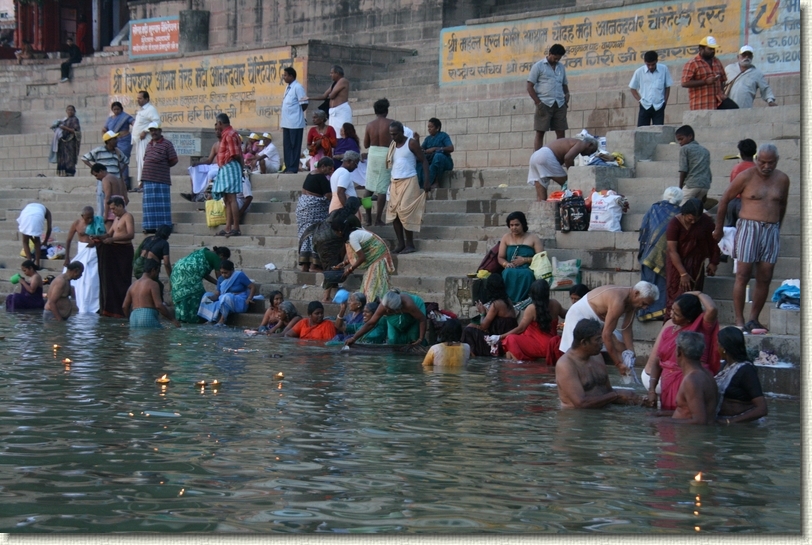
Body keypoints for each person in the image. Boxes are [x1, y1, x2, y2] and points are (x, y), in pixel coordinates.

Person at [713, 143, 790, 332]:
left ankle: (753, 319)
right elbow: (724, 200)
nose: (766, 166)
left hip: (770, 228)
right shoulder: (746, 176)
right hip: (748, 227)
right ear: (756, 160)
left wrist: (777, 227)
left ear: (776, 161)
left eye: (770, 163)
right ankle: (739, 321)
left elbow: (782, 205)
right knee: (743, 274)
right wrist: (719, 228)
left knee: (765, 276)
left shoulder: (782, 179)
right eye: (762, 162)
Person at [559, 282, 658, 375]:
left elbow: (627, 328)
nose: (644, 308)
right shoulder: (618, 301)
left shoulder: (634, 301)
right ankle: (571, 376)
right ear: (636, 293)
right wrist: (618, 363)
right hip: (579, 314)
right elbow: (606, 335)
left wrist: (631, 352)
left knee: (621, 346)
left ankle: (625, 374)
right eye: (644, 303)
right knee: (578, 353)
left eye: (647, 305)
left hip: (599, 319)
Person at [642, 292, 719, 411]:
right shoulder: (668, 331)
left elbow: (712, 309)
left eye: (677, 314)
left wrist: (698, 294)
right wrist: (652, 390)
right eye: (672, 310)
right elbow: (658, 362)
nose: (671, 314)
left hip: (687, 384)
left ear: (688, 318)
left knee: (685, 420)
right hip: (667, 383)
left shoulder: (701, 328)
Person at [556, 318, 643, 409]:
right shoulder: (565, 365)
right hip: (577, 418)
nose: (602, 342)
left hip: (602, 413)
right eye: (598, 339)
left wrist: (636, 399)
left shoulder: (597, 357)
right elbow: (581, 403)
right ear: (584, 342)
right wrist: (616, 395)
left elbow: (607, 392)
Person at [665, 198, 719, 320]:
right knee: (676, 298)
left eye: (696, 219)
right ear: (684, 214)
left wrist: (713, 261)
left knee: (693, 300)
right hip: (677, 265)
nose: (693, 222)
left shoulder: (706, 221)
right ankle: (671, 329)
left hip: (696, 264)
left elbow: (713, 243)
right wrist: (683, 273)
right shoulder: (674, 224)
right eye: (690, 219)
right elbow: (672, 250)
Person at [637, 187, 683, 321]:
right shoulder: (679, 213)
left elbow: (644, 229)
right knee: (662, 284)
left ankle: (645, 311)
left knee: (648, 283)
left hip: (649, 252)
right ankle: (660, 311)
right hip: (667, 255)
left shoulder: (654, 208)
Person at [386, 121, 430, 254]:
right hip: (395, 182)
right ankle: (401, 244)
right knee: (394, 215)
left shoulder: (411, 143)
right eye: (391, 135)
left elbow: (424, 161)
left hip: (410, 180)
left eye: (395, 134)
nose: (393, 137)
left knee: (406, 212)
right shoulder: (393, 145)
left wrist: (427, 181)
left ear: (402, 132)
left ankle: (410, 244)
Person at [659, 332, 718, 424]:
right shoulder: (707, 374)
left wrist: (661, 421)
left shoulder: (692, 380)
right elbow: (688, 410)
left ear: (678, 351)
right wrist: (659, 415)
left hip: (690, 436)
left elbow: (699, 421)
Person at [501, 279, 566, 362]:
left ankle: (517, 366)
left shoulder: (531, 308)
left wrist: (500, 336)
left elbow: (521, 329)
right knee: (511, 343)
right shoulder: (555, 304)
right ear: (547, 292)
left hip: (539, 346)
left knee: (510, 339)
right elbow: (565, 314)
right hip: (551, 345)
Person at [91, 196, 134, 318]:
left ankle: (122, 309)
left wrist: (112, 239)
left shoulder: (128, 217)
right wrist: (98, 237)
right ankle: (110, 309)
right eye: (111, 209)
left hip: (123, 253)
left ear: (121, 206)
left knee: (122, 281)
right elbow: (108, 234)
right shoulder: (116, 219)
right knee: (111, 280)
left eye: (114, 209)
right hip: (114, 252)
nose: (112, 211)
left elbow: (131, 234)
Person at [335, 214, 395, 302]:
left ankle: (374, 307)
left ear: (340, 231)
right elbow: (359, 254)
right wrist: (345, 263)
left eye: (335, 232)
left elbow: (362, 257)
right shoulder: (354, 233)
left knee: (370, 288)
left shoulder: (352, 237)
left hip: (378, 258)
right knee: (369, 286)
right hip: (375, 257)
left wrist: (349, 270)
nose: (336, 234)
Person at [715, 326, 768, 424]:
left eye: (718, 344)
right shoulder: (725, 365)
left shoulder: (746, 370)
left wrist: (729, 421)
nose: (716, 347)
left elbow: (762, 409)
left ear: (724, 348)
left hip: (742, 426)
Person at [462, 273, 518, 357]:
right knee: (471, 325)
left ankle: (472, 356)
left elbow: (483, 326)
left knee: (468, 331)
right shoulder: (507, 300)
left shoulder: (496, 304)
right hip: (502, 337)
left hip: (498, 342)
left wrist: (482, 313)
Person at [527, 136, 599, 201]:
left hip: (535, 156)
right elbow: (568, 158)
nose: (589, 155)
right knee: (568, 184)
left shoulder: (572, 142)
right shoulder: (581, 144)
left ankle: (540, 212)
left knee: (541, 197)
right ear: (590, 145)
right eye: (591, 151)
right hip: (546, 156)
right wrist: (572, 175)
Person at [526, 43, 570, 150]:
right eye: (555, 58)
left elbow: (564, 84)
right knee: (540, 132)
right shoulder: (538, 66)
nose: (556, 60)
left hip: (559, 104)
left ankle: (559, 158)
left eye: (558, 59)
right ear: (550, 53)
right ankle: (537, 159)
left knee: (561, 132)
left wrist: (567, 95)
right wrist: (538, 103)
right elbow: (529, 86)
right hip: (544, 103)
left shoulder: (561, 68)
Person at [170, 246, 230, 323]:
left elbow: (205, 275)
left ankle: (182, 319)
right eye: (225, 260)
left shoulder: (206, 253)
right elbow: (220, 277)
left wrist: (217, 283)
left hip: (177, 270)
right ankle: (193, 320)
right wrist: (225, 286)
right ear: (221, 255)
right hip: (188, 274)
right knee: (197, 295)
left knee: (183, 294)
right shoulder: (216, 258)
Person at [345, 290, 427, 347]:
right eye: (386, 309)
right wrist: (354, 338)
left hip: (414, 314)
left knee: (413, 338)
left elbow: (422, 319)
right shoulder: (383, 306)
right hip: (395, 316)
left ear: (398, 308)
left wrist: (420, 339)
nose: (387, 311)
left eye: (390, 310)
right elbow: (371, 323)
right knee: (393, 340)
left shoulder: (408, 305)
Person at [63, 206, 103, 314]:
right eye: (87, 218)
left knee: (91, 281)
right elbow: (68, 240)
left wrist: (95, 241)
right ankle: (81, 306)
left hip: (93, 252)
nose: (90, 220)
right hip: (82, 252)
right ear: (82, 216)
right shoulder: (77, 223)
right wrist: (67, 257)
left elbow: (103, 236)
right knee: (79, 280)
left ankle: (93, 308)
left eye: (91, 217)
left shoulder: (97, 222)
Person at [497, 211, 544, 303]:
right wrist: (506, 264)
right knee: (507, 273)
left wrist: (525, 260)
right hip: (511, 268)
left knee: (527, 275)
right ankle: (508, 302)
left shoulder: (533, 237)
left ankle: (523, 302)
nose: (514, 228)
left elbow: (542, 257)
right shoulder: (506, 237)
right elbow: (500, 257)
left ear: (523, 224)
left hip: (528, 268)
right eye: (511, 225)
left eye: (517, 225)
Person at [297, 157, 334, 272]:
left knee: (305, 236)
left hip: (302, 209)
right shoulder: (321, 178)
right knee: (315, 236)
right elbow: (328, 196)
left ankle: (305, 265)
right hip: (313, 212)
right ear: (322, 167)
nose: (330, 171)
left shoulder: (310, 174)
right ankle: (314, 265)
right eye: (328, 169)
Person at [681, 36, 737, 111]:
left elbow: (722, 80)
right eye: (710, 49)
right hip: (701, 103)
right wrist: (705, 82)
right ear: (701, 49)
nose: (713, 51)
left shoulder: (717, 61)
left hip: (718, 102)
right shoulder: (692, 63)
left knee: (734, 109)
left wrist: (721, 93)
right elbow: (684, 83)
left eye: (714, 49)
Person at [141, 122, 178, 234]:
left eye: (155, 130)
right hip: (148, 178)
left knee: (162, 205)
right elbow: (145, 159)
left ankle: (164, 228)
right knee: (149, 205)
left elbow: (174, 160)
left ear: (160, 131)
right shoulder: (148, 144)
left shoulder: (167, 144)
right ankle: (150, 227)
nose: (153, 132)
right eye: (151, 130)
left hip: (161, 179)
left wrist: (162, 167)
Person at [123, 259, 180, 328]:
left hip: (133, 318)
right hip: (147, 316)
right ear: (153, 270)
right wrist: (172, 319)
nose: (157, 275)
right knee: (158, 337)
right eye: (157, 272)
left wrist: (130, 318)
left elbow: (124, 307)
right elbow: (158, 305)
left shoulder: (133, 285)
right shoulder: (153, 284)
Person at [212, 113, 244, 237]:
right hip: (226, 168)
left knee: (232, 198)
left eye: (217, 123)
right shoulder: (227, 134)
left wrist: (228, 160)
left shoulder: (230, 134)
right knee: (227, 199)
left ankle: (236, 228)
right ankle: (227, 227)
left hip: (230, 167)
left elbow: (235, 153)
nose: (217, 127)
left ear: (220, 123)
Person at [197, 259, 257, 326]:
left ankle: (222, 320)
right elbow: (218, 294)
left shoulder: (239, 275)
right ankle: (211, 319)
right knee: (206, 296)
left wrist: (249, 298)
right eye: (222, 273)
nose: (223, 275)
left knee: (226, 297)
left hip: (239, 302)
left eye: (226, 273)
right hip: (223, 300)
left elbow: (252, 287)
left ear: (232, 270)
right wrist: (211, 298)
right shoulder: (220, 279)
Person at [364, 98, 395, 226]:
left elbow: (366, 144)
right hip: (385, 154)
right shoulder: (392, 123)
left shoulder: (369, 125)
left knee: (369, 188)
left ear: (375, 111)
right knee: (382, 188)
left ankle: (368, 218)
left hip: (372, 154)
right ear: (386, 111)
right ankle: (378, 219)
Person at [84, 133, 129, 215]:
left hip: (115, 181)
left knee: (114, 203)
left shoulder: (117, 151)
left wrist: (120, 172)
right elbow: (84, 158)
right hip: (102, 181)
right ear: (108, 141)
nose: (116, 140)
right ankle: (103, 220)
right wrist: (94, 169)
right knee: (102, 202)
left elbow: (126, 161)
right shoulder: (99, 150)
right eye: (114, 139)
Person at [724, 45, 777, 109]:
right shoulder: (729, 69)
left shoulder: (757, 73)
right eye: (744, 55)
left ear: (752, 57)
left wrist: (770, 100)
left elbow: (765, 88)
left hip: (745, 108)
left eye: (749, 55)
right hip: (728, 108)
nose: (746, 57)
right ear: (738, 57)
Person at [629, 50, 673, 126]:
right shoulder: (639, 71)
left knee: (658, 132)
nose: (651, 67)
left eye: (653, 64)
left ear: (657, 61)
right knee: (642, 132)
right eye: (648, 65)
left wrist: (665, 102)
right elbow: (632, 88)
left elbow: (667, 87)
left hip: (659, 106)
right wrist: (640, 100)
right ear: (645, 62)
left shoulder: (664, 69)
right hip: (645, 105)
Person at [306, 65, 352, 133]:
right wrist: (309, 98)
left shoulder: (343, 81)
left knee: (343, 132)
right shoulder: (334, 84)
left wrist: (330, 95)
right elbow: (324, 96)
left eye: (332, 73)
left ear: (337, 73)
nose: (330, 75)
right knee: (333, 133)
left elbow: (332, 95)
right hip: (333, 113)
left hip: (341, 111)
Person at [131, 91, 161, 191]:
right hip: (139, 141)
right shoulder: (142, 110)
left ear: (147, 99)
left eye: (140, 98)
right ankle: (141, 184)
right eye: (137, 98)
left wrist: (145, 130)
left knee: (145, 162)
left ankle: (146, 183)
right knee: (140, 162)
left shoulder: (150, 109)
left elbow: (157, 121)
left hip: (146, 140)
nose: (138, 100)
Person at [280, 66, 308, 174]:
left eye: (285, 75)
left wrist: (298, 115)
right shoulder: (288, 88)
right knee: (287, 146)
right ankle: (288, 166)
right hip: (286, 123)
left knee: (294, 146)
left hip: (295, 123)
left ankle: (293, 168)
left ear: (291, 76)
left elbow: (304, 104)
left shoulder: (298, 87)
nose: (284, 77)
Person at [724, 138, 757, 227]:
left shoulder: (736, 168)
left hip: (732, 202)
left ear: (741, 154)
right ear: (755, 152)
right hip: (746, 203)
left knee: (732, 229)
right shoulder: (757, 170)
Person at [676, 125, 712, 205]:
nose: (680, 142)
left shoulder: (684, 149)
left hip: (691, 184)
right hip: (705, 185)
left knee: (681, 207)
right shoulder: (705, 150)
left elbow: (683, 169)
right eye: (678, 140)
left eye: (681, 139)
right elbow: (708, 171)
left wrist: (680, 188)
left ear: (690, 136)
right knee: (696, 209)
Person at [103, 102, 135, 188]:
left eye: (118, 109)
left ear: (121, 109)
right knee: (114, 160)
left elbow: (134, 123)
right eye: (114, 109)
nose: (116, 111)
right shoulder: (110, 119)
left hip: (125, 141)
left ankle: (125, 182)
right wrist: (106, 139)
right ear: (112, 110)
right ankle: (115, 182)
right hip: (113, 142)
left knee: (123, 160)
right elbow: (104, 129)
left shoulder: (125, 117)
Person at [417, 118, 454, 190]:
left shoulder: (443, 135)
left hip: (445, 162)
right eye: (428, 127)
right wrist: (417, 141)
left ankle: (437, 182)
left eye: (431, 127)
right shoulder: (428, 139)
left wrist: (435, 149)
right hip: (431, 162)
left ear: (437, 128)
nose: (429, 129)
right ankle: (421, 184)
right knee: (418, 161)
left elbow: (451, 148)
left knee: (438, 156)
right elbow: (421, 149)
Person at [90, 163, 129, 227]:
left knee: (110, 233)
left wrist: (106, 215)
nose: (97, 178)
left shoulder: (106, 179)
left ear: (101, 171)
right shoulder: (117, 178)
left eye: (96, 175)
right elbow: (126, 197)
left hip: (112, 207)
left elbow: (107, 197)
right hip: (121, 206)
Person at [16, 203, 52, 269]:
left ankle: (29, 263)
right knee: (37, 241)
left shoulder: (31, 207)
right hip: (37, 217)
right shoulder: (47, 211)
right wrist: (45, 242)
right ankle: (37, 264)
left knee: (25, 241)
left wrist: (43, 241)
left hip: (25, 215)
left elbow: (28, 232)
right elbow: (49, 229)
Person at [54, 105, 81, 177]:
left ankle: (70, 172)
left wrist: (65, 128)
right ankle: (64, 172)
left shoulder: (75, 120)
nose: (70, 111)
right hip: (63, 142)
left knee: (70, 158)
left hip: (71, 142)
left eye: (71, 110)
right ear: (66, 111)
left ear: (74, 111)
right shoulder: (64, 120)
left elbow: (76, 131)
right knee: (63, 158)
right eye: (68, 110)